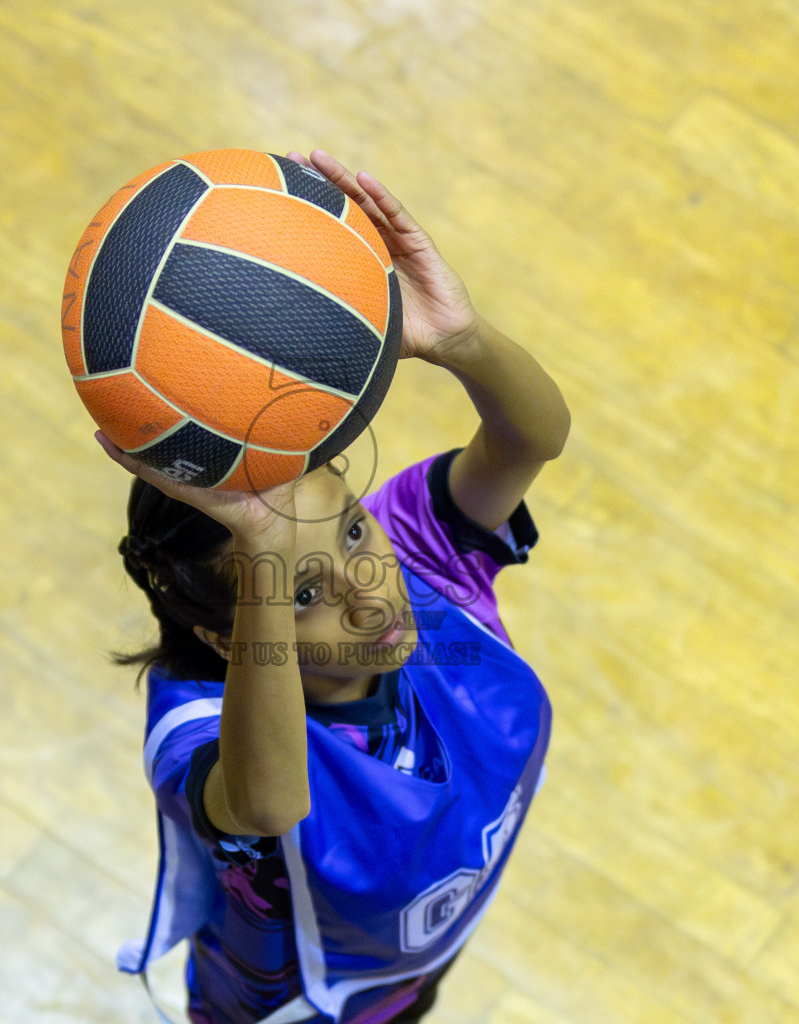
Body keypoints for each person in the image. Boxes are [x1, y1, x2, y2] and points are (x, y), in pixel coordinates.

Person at [95, 149, 571, 1024]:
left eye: (354, 529)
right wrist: (265, 549)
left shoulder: (426, 555)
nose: (367, 591)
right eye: (300, 591)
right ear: (227, 636)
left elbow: (531, 436)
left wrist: (462, 341)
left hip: (411, 970)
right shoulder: (201, 727)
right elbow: (269, 805)